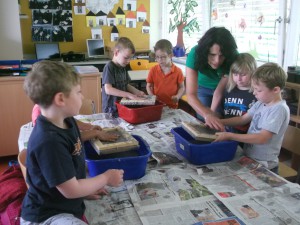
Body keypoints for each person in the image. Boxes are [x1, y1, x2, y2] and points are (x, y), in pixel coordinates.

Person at [21, 60, 124, 224]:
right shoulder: (49, 141)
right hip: (47, 215)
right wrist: (106, 177)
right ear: (61, 99)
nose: (82, 97)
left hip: (65, 199)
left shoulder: (66, 121)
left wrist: (83, 191)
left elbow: (72, 142)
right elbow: (71, 190)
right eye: (78, 92)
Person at [214, 63, 290, 174]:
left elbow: (262, 138)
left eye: (258, 90)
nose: (254, 93)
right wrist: (219, 122)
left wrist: (230, 135)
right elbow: (243, 119)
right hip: (250, 158)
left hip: (265, 164)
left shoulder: (279, 109)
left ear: (275, 90)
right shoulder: (261, 103)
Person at [185, 27, 238, 130]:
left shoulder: (233, 56)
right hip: (202, 87)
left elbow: (219, 90)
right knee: (203, 120)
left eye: (222, 56)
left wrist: (212, 113)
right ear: (205, 51)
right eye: (212, 55)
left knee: (222, 120)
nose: (217, 61)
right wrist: (207, 114)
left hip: (225, 90)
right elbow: (191, 95)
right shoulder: (195, 54)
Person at [213, 53, 257, 134]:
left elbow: (246, 120)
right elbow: (220, 113)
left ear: (253, 73)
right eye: (235, 74)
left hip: (244, 137)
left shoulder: (256, 94)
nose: (239, 79)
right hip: (225, 132)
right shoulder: (227, 91)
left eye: (243, 75)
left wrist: (220, 121)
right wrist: (213, 119)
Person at [102, 37, 145, 117]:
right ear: (116, 52)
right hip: (110, 110)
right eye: (126, 57)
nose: (129, 61)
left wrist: (137, 92)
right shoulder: (109, 66)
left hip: (121, 108)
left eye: (130, 58)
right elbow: (108, 89)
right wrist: (128, 95)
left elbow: (126, 85)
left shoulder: (123, 67)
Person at [146, 39, 185, 108]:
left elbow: (182, 87)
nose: (160, 60)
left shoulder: (178, 71)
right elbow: (148, 86)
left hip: (172, 105)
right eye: (157, 57)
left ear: (171, 55)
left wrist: (177, 96)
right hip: (157, 104)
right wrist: (152, 96)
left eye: (163, 57)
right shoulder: (153, 70)